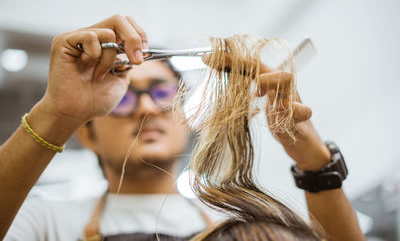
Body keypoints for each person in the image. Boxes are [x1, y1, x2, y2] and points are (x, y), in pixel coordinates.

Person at [0, 15, 364, 241]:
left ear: (185, 116)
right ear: (86, 134)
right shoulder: (45, 222)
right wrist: (57, 113)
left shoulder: (242, 227)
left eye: (160, 93)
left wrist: (316, 164)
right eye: (123, 96)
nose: (145, 107)